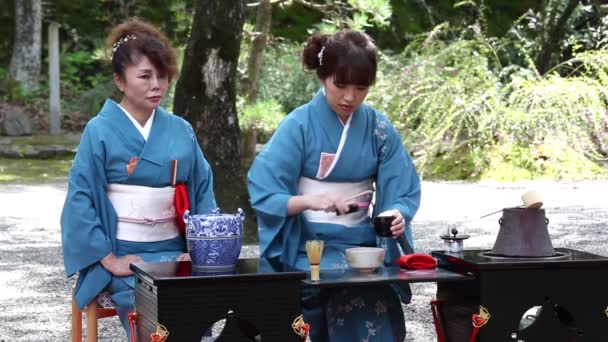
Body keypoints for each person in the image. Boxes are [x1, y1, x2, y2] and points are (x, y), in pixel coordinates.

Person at [248, 30, 421, 341]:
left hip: (362, 251)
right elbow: (264, 189)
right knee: (310, 297)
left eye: (361, 87)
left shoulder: (379, 129)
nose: (349, 97)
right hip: (305, 247)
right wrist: (308, 202)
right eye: (340, 85)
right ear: (323, 77)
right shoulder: (298, 126)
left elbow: (401, 187)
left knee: (370, 302)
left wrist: (397, 213)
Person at [61, 19, 217, 339]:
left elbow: (202, 191)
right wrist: (110, 259)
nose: (156, 84)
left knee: (202, 308)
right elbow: (81, 198)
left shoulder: (180, 130)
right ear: (120, 80)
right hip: (125, 257)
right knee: (154, 317)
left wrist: (199, 249)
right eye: (145, 76)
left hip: (176, 254)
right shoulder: (100, 130)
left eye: (162, 76)